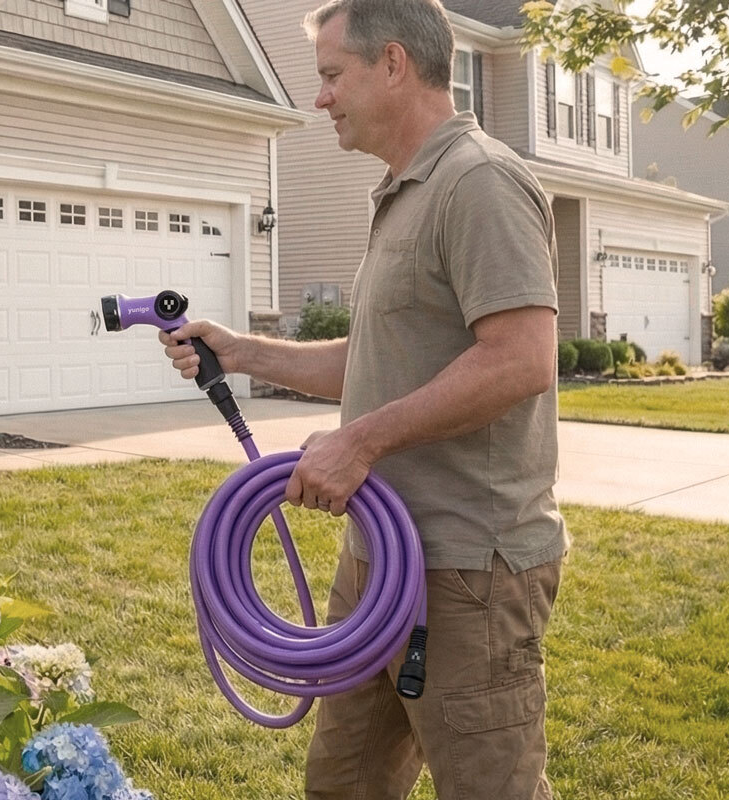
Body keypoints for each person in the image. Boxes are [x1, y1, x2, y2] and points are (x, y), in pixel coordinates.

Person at [160, 0, 569, 796]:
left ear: (392, 64)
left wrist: (360, 443)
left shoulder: (478, 182)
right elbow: (379, 360)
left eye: (330, 76)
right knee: (344, 784)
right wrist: (242, 351)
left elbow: (521, 360)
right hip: (381, 562)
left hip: (466, 572)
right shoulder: (405, 191)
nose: (320, 100)